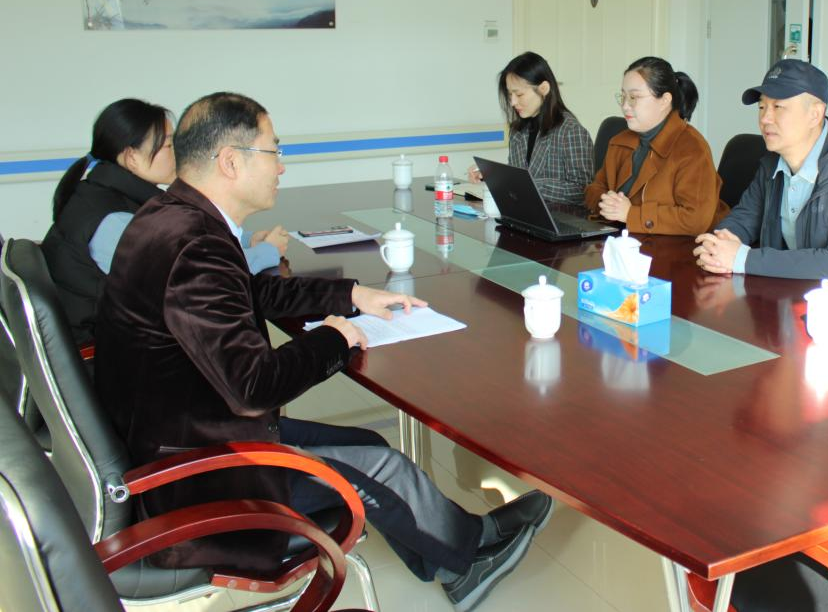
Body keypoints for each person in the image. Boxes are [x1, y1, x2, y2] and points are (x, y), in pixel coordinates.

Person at [93, 92, 551, 612]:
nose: (281, 167)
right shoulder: (196, 244)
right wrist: (335, 336)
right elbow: (254, 387)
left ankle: (461, 548)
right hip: (203, 476)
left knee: (368, 445)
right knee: (377, 466)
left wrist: (352, 295)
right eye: (274, 151)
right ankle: (467, 562)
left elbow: (251, 292)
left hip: (185, 432)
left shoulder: (172, 217)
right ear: (231, 161)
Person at [41, 98, 286, 345]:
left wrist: (244, 239)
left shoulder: (104, 193)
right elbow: (200, 281)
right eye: (169, 146)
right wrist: (267, 251)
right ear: (132, 157)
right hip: (105, 352)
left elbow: (181, 241)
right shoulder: (113, 223)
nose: (178, 154)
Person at [694, 59, 828, 297]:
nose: (765, 119)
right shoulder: (773, 162)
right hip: (799, 296)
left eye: (778, 107)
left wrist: (742, 259)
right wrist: (717, 247)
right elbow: (744, 218)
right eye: (761, 107)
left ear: (815, 114)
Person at [585, 56, 725, 235]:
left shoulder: (693, 149)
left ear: (664, 101)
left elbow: (695, 220)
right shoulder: (619, 141)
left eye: (634, 97)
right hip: (623, 239)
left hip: (679, 247)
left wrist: (630, 214)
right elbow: (595, 188)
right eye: (623, 96)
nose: (625, 106)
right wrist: (605, 202)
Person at [467, 52, 593, 206]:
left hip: (559, 216)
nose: (513, 102)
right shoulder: (517, 131)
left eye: (519, 94)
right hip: (524, 212)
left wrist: (528, 184)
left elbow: (582, 191)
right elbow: (517, 177)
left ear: (543, 89)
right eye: (510, 95)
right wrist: (491, 176)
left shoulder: (571, 131)